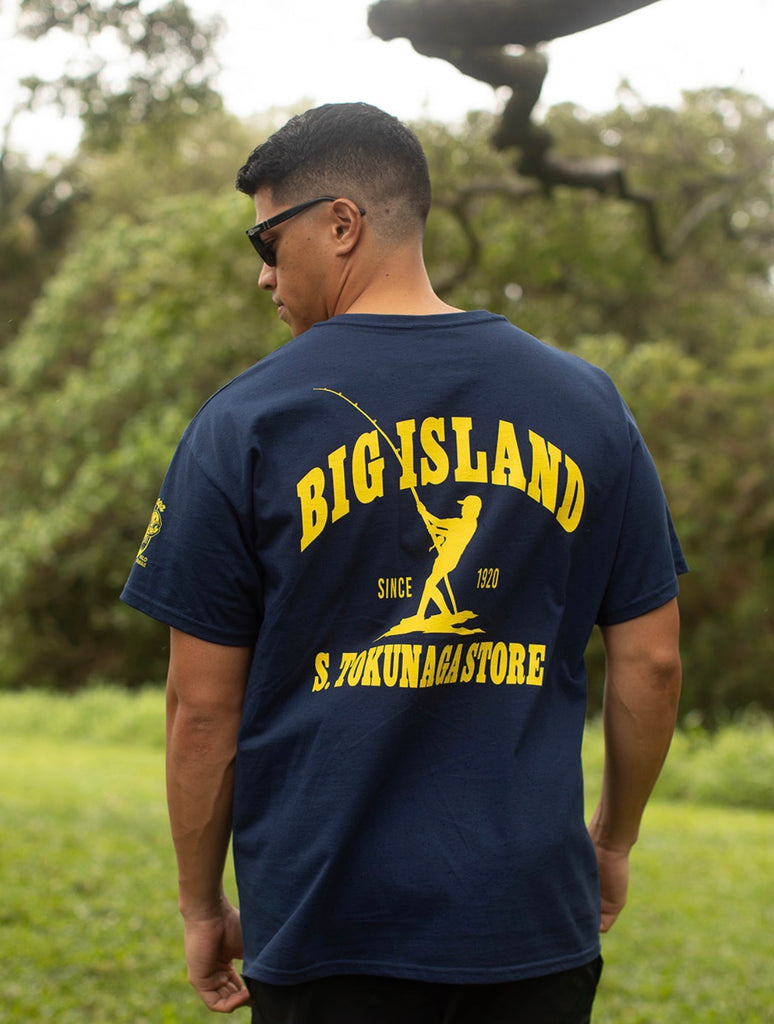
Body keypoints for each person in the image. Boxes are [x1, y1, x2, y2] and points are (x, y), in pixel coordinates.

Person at [121, 102, 685, 1023]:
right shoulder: (588, 406)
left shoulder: (243, 422)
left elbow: (201, 710)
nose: (263, 274)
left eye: (267, 240)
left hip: (321, 927)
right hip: (528, 923)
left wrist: (199, 905)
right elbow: (652, 661)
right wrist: (612, 842)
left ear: (342, 223)